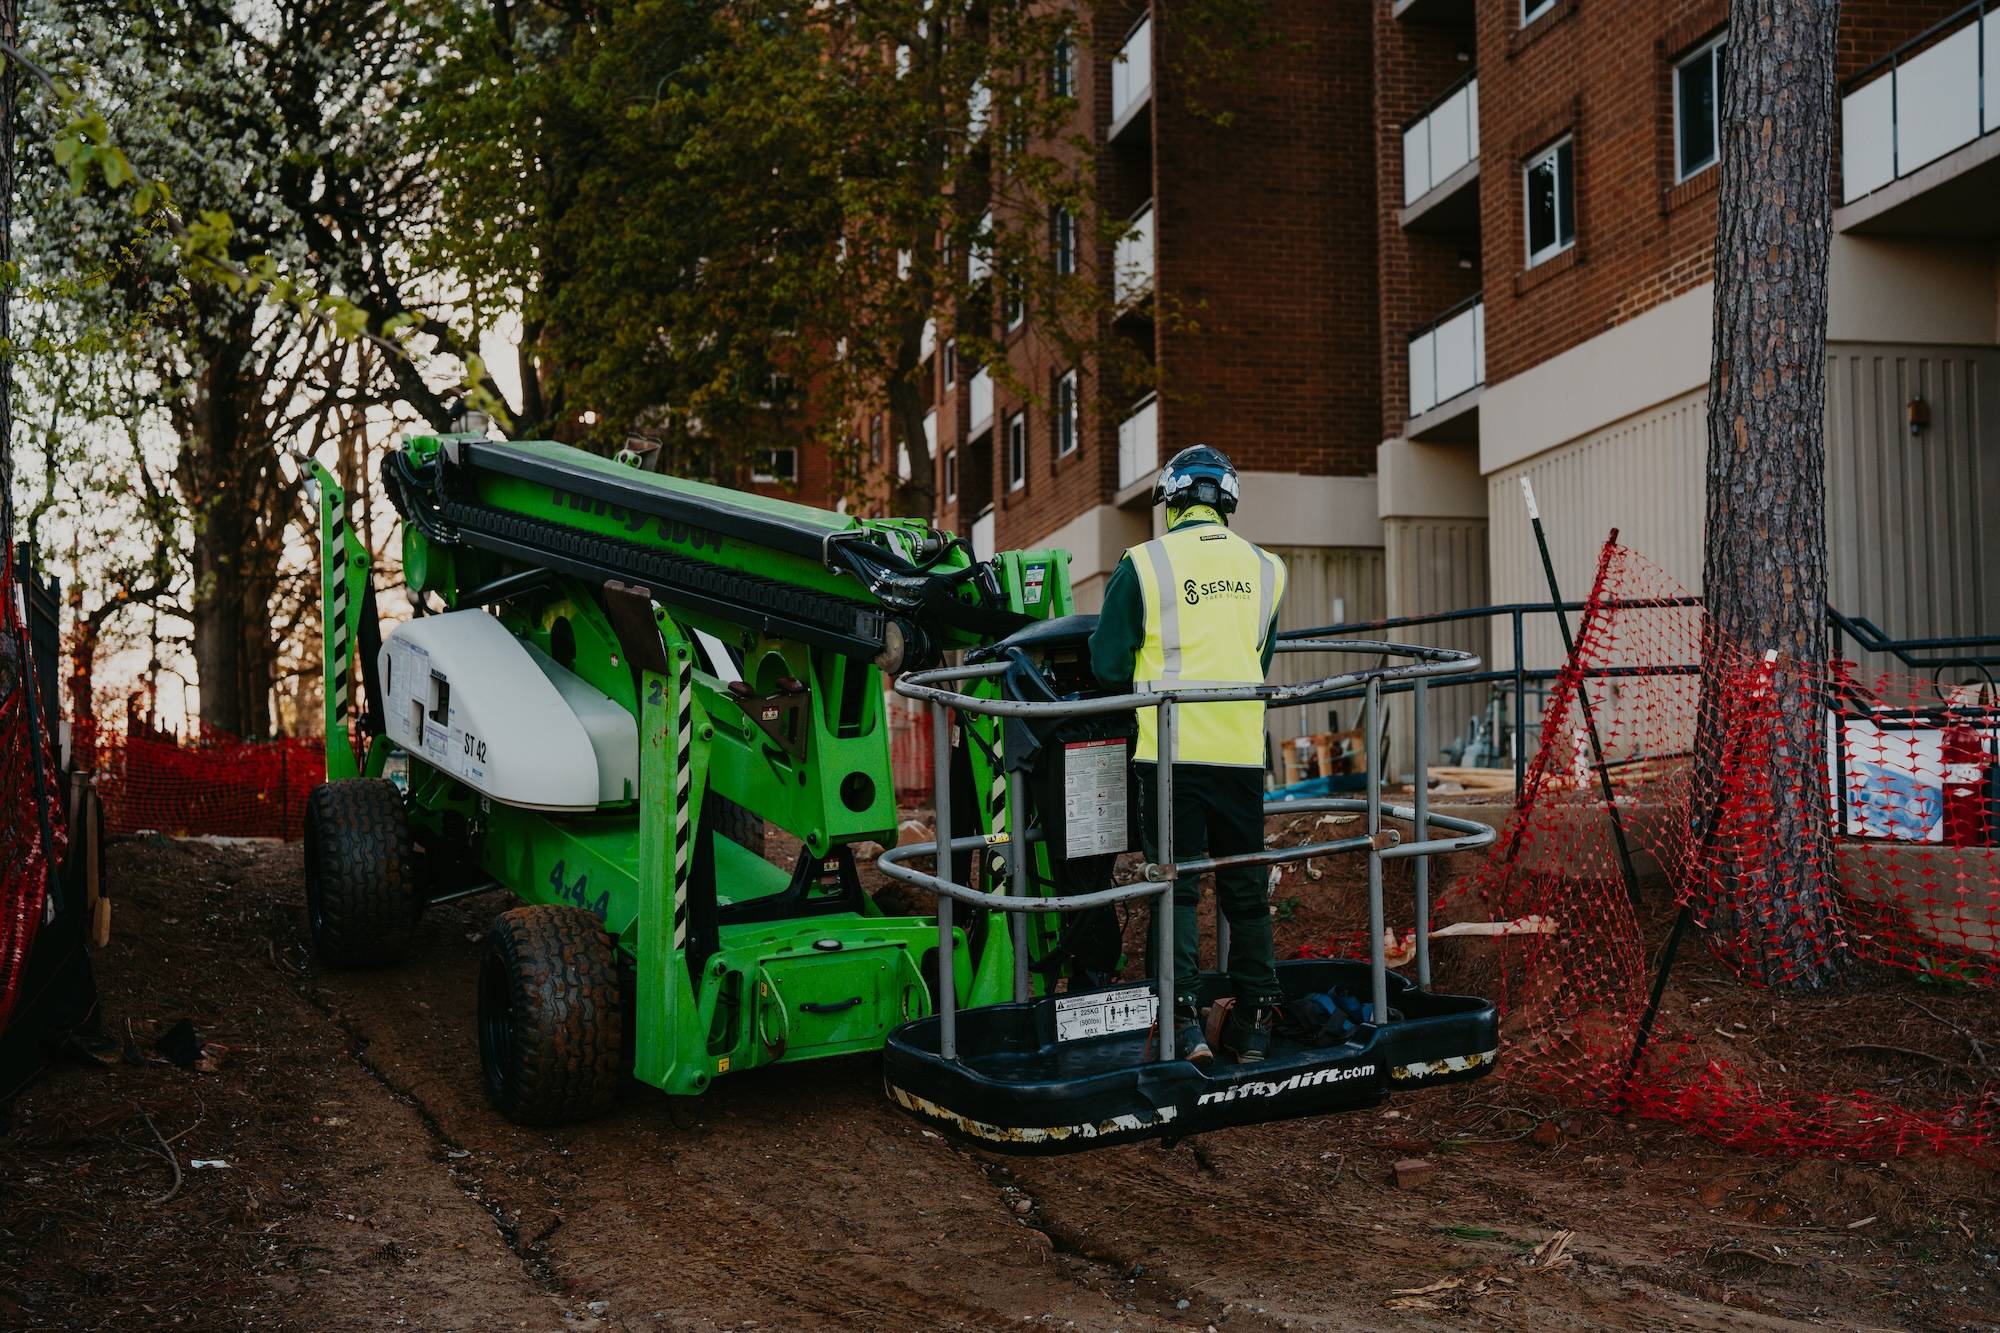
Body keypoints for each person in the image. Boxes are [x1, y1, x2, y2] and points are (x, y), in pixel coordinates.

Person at [1088, 445, 1286, 1065]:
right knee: (1246, 890)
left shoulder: (1144, 565)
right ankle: (1254, 1022)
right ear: (1226, 501)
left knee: (1175, 886)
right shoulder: (1267, 568)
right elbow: (1260, 657)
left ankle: (1182, 1023)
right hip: (1240, 755)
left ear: (1170, 501)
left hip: (1169, 754)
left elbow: (1105, 663)